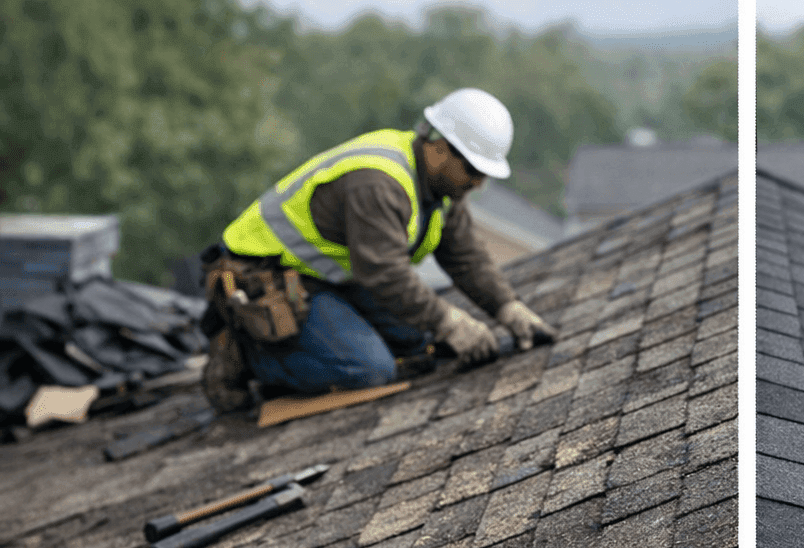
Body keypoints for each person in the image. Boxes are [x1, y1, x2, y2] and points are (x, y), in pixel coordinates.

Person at [202, 87, 557, 412]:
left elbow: (464, 256)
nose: (478, 182)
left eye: (484, 173)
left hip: (321, 277)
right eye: (472, 169)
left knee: (417, 342)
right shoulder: (378, 183)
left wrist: (507, 307)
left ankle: (309, 341)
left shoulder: (440, 188)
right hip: (262, 275)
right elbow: (384, 273)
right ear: (439, 148)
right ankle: (245, 352)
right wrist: (450, 322)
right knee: (368, 369)